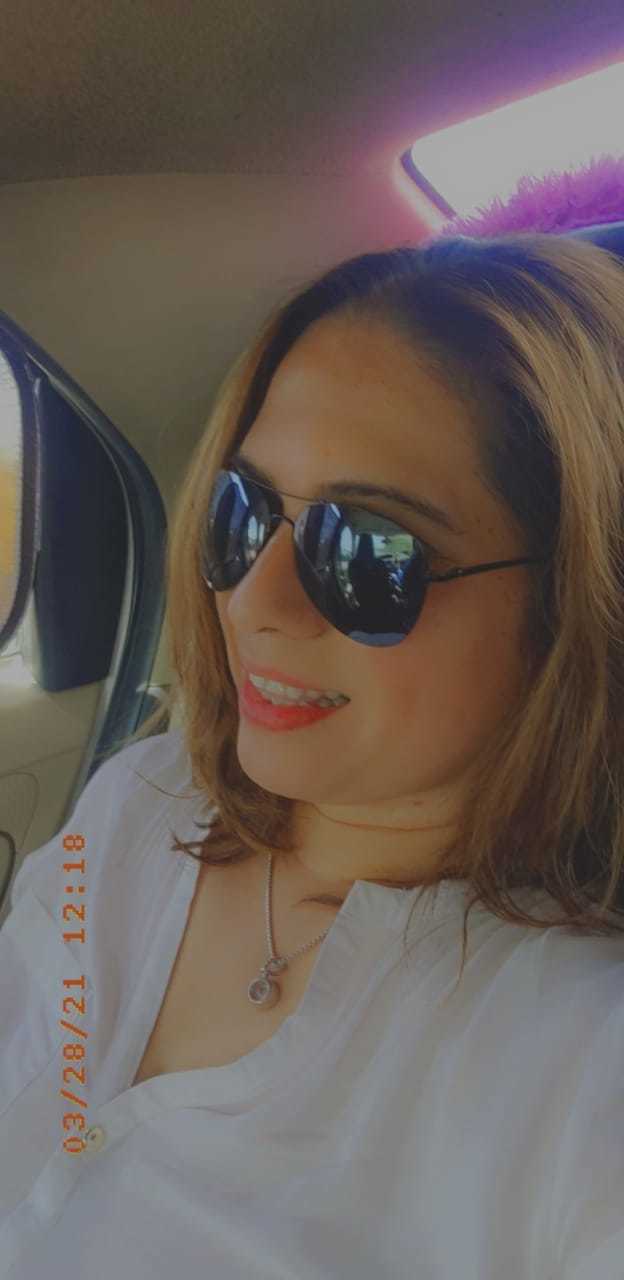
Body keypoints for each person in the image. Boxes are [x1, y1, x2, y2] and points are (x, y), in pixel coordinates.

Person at [1, 231, 624, 1278]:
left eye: (370, 549)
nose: (255, 601)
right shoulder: (140, 800)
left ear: (570, 602)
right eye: (241, 513)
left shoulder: (581, 1077)